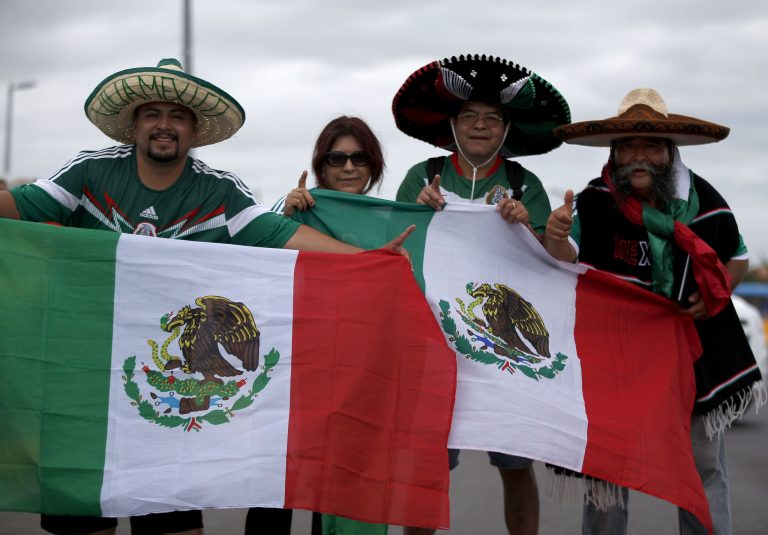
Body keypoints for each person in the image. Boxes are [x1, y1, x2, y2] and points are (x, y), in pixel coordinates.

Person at [0, 58, 412, 535]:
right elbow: (20, 209)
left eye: (177, 116)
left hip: (163, 394)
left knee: (175, 529)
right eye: (152, 114)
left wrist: (366, 258)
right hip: (85, 387)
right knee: (89, 528)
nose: (164, 125)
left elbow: (278, 235)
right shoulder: (88, 173)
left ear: (194, 130)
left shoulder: (218, 191)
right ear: (133, 125)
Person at [544, 88, 763, 535]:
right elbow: (564, 256)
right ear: (615, 153)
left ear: (669, 152)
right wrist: (554, 233)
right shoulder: (593, 201)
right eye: (628, 146)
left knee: (703, 467)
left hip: (691, 348)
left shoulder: (705, 200)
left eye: (651, 145)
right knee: (607, 468)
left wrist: (717, 294)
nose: (639, 156)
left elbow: (736, 255)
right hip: (616, 354)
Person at [392, 53, 571, 535]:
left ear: (506, 130)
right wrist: (419, 209)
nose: (480, 125)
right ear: (452, 125)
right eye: (469, 116)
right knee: (429, 465)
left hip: (503, 342)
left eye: (492, 118)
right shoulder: (421, 175)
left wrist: (529, 227)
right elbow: (396, 248)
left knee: (515, 464)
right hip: (435, 341)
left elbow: (551, 261)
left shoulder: (522, 184)